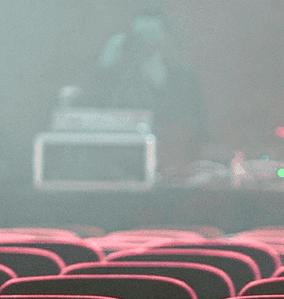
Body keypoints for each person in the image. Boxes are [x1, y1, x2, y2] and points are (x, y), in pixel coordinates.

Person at [78, 12, 207, 178]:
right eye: (139, 34)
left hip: (167, 169)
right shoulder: (117, 75)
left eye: (152, 33)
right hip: (117, 170)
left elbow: (194, 125)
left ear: (165, 37)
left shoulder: (182, 77)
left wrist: (163, 85)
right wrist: (105, 69)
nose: (145, 41)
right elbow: (90, 113)